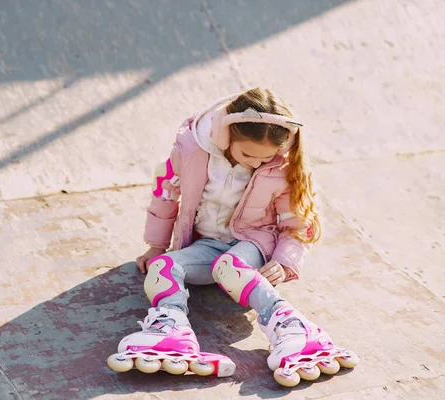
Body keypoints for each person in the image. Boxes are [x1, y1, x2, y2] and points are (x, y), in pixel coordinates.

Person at [107, 88, 358, 386]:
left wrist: (284, 261)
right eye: (247, 154)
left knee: (228, 267)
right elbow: (165, 193)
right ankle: (170, 327)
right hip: (204, 245)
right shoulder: (191, 150)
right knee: (162, 266)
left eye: (264, 158)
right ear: (226, 135)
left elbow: (297, 221)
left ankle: (293, 327)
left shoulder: (281, 167)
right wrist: (156, 245)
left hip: (251, 243)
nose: (255, 163)